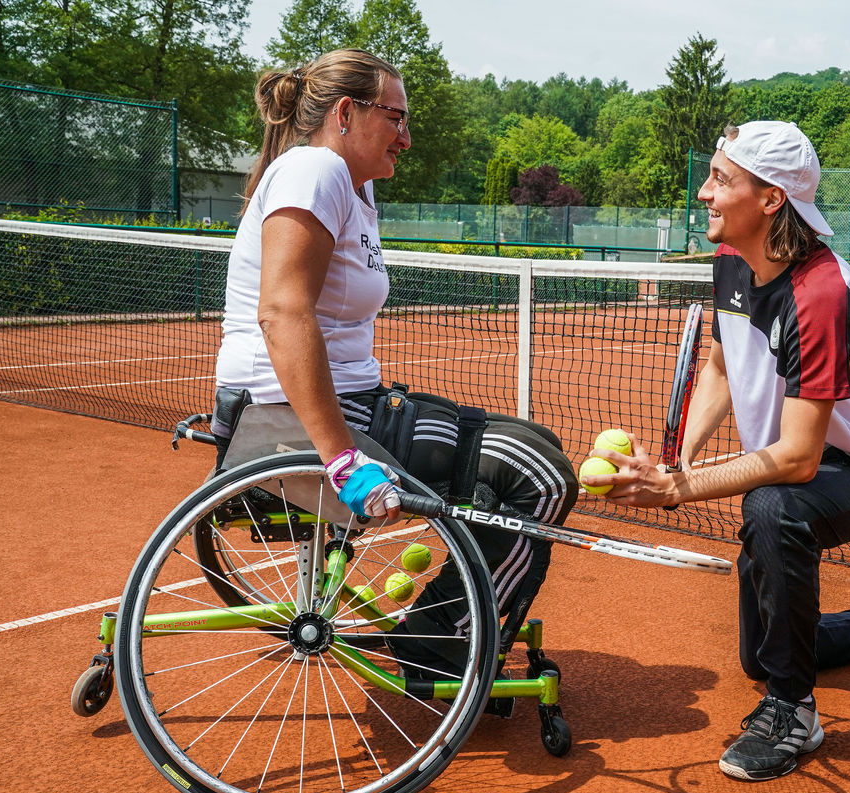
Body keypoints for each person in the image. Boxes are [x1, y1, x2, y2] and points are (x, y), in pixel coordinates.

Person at [582, 121, 850, 782]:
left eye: (721, 179)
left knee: (772, 508)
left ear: (771, 200)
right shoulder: (732, 262)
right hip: (788, 467)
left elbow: (799, 458)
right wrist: (676, 457)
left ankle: (795, 712)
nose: (705, 192)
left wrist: (678, 489)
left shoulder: (821, 295)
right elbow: (718, 365)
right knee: (760, 655)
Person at [212, 48, 578, 680]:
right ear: (347, 113)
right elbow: (282, 313)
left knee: (533, 445)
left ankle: (444, 627)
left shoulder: (353, 184)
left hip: (352, 401)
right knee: (538, 474)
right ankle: (439, 645)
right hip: (284, 423)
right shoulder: (314, 170)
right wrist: (342, 458)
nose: (406, 137)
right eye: (396, 118)